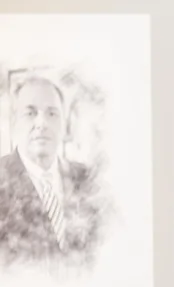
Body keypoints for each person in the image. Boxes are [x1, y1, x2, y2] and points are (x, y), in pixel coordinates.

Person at [0, 74, 101, 266]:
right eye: (30, 113)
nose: (42, 123)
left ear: (64, 124)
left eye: (52, 113)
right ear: (14, 124)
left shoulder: (88, 181)